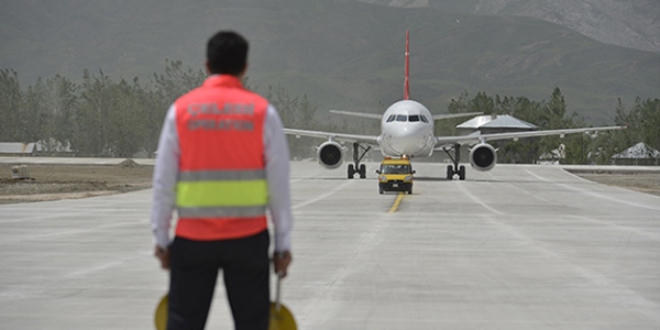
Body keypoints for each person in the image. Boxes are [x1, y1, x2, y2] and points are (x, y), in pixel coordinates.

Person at [150, 30, 293, 330]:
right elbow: (279, 187)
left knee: (184, 323)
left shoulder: (181, 111)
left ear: (206, 65)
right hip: (248, 241)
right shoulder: (263, 113)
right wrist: (282, 246)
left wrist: (161, 239)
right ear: (245, 67)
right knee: (254, 324)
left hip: (192, 240)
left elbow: (163, 182)